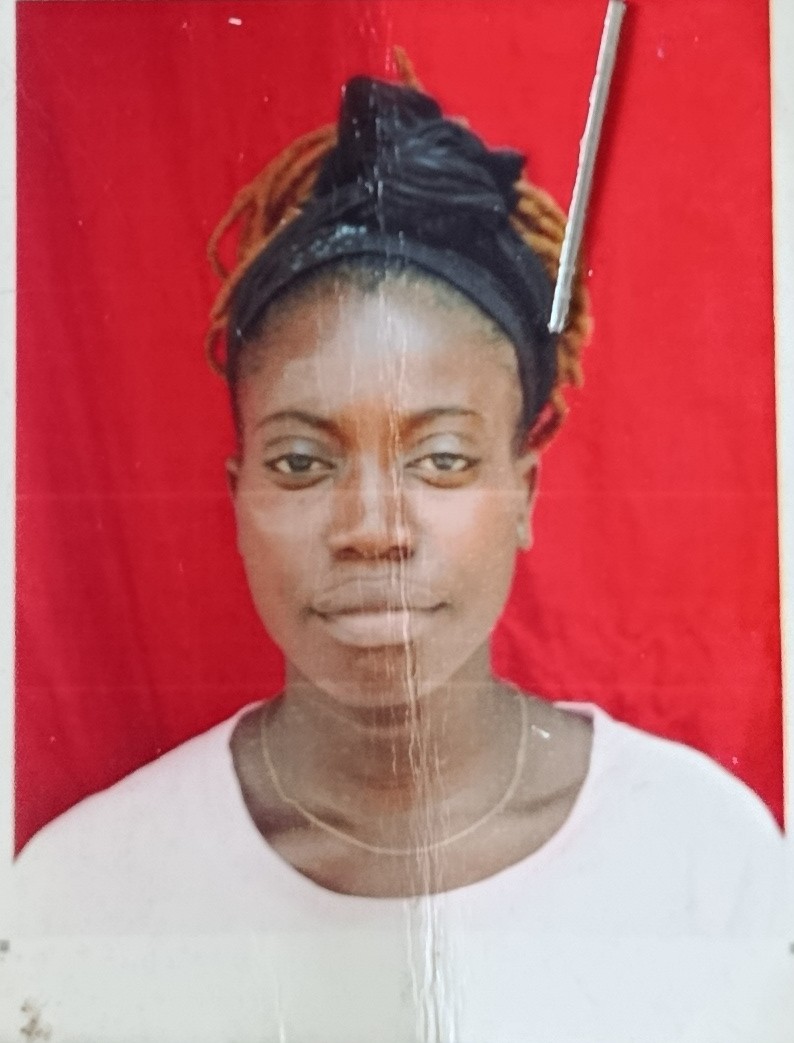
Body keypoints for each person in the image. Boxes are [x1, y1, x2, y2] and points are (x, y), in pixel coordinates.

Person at [11, 63, 786, 1043]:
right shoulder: (84, 894)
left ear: (523, 494)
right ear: (238, 497)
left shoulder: (701, 856)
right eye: (301, 461)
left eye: (443, 458)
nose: (374, 525)